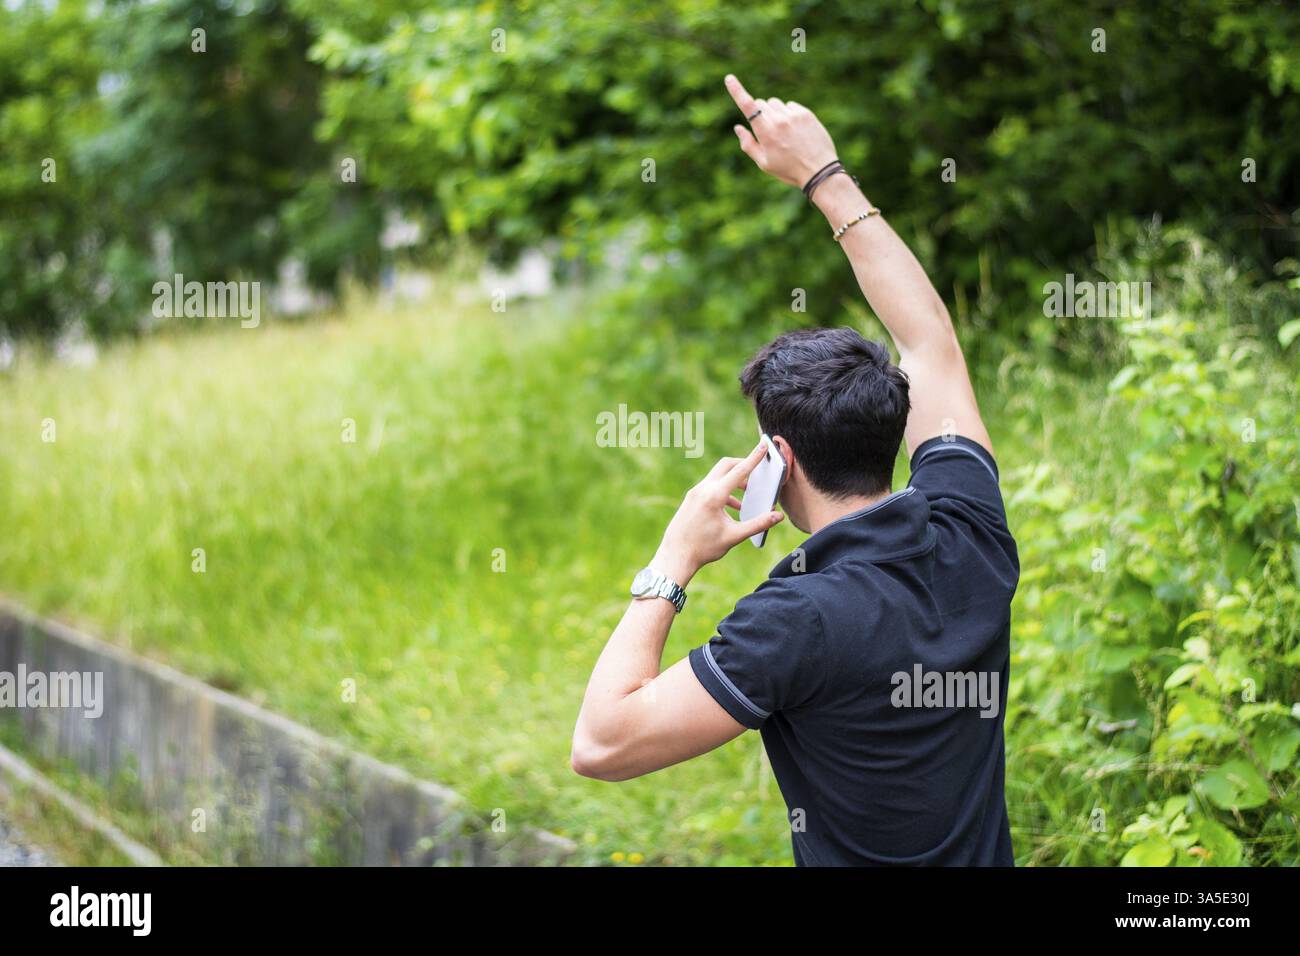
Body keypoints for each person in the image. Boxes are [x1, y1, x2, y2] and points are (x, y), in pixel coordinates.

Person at [571, 75, 1019, 866]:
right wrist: (824, 174)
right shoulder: (968, 530)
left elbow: (603, 744)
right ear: (893, 422)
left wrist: (674, 560)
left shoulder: (796, 619)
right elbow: (930, 344)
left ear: (778, 458)